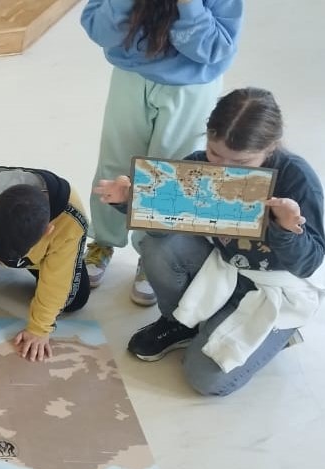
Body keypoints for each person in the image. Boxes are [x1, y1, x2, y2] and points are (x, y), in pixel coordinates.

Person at [94, 88, 325, 397]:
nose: (223, 169)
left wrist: (285, 228)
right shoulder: (199, 165)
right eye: (215, 154)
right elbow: (163, 227)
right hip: (223, 265)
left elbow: (309, 263)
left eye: (242, 162)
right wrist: (129, 199)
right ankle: (181, 323)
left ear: (269, 147)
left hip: (274, 286)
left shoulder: (297, 178)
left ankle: (280, 333)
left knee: (205, 379)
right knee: (157, 247)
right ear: (207, 136)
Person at [80, 0, 243, 305]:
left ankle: (152, 252)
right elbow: (97, 28)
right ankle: (102, 240)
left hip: (192, 83)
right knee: (114, 161)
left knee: (168, 172)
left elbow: (216, 48)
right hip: (130, 74)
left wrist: (189, 5)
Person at [0, 167, 91, 362]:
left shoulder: (71, 220)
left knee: (75, 299)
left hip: (41, 254)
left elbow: (58, 278)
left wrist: (40, 329)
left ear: (47, 230)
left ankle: (14, 254)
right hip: (0, 238)